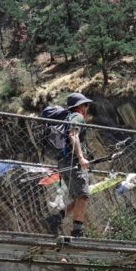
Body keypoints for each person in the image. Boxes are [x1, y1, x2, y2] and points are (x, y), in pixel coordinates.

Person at [46, 92, 93, 237]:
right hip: (74, 162)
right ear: (79, 106)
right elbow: (73, 135)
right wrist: (81, 158)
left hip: (64, 162)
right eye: (86, 104)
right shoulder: (77, 116)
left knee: (80, 196)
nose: (87, 107)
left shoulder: (68, 117)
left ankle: (57, 218)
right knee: (82, 196)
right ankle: (77, 231)